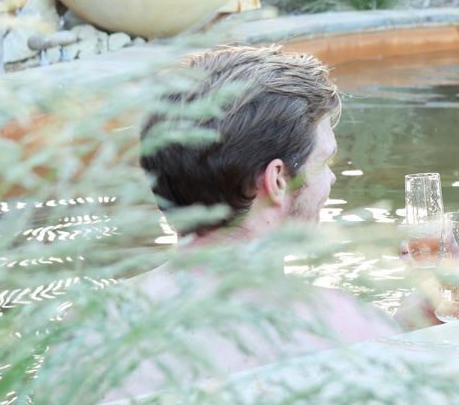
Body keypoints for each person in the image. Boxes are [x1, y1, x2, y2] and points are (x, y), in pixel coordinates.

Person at [111, 45, 404, 400]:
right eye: (323, 161)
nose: (331, 180)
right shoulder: (343, 330)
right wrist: (415, 336)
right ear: (277, 180)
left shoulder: (90, 329)